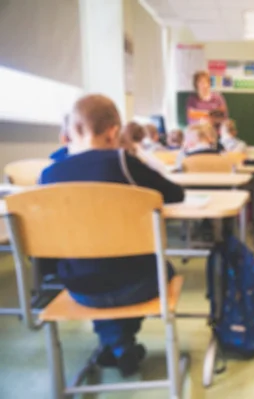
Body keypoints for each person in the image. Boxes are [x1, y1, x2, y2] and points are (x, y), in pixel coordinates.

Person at [39, 94, 184, 377]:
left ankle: (116, 344)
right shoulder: (123, 163)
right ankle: (119, 343)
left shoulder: (48, 176)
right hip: (137, 285)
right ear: (114, 131)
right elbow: (175, 194)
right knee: (160, 269)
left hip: (79, 290)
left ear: (72, 131)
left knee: (96, 272)